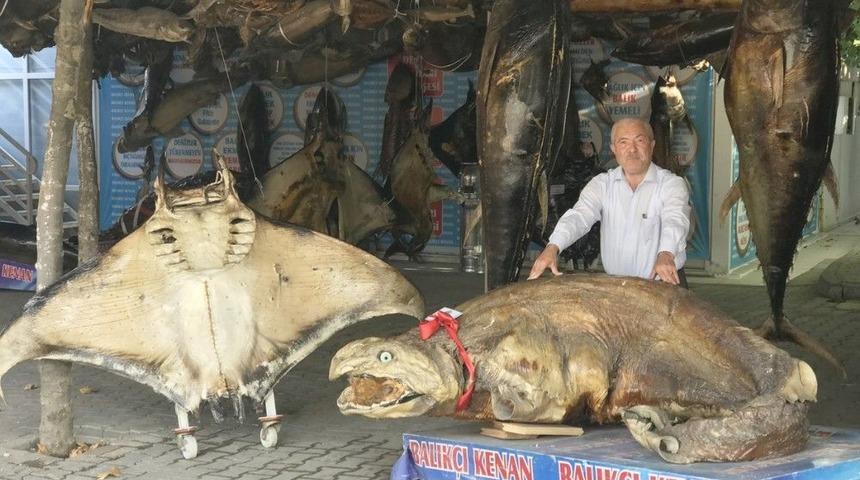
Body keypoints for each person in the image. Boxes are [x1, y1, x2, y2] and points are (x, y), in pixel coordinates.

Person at [528, 117, 691, 285]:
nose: (632, 150)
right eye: (623, 142)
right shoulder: (602, 184)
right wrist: (553, 246)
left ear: (652, 145)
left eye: (640, 140)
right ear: (614, 149)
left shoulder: (671, 184)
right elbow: (579, 216)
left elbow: (675, 219)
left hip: (664, 283)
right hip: (616, 288)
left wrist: (666, 254)